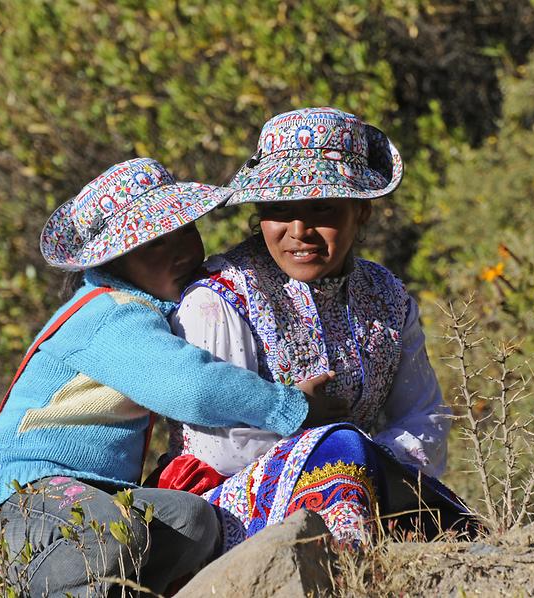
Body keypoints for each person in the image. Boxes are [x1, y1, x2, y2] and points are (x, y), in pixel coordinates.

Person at [0, 157, 345, 596]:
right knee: (111, 532)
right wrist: (289, 406)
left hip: (94, 499)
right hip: (26, 494)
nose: (184, 251)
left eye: (186, 230)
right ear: (117, 261)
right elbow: (191, 386)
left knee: (193, 522)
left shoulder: (146, 313)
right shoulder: (110, 315)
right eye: (155, 244)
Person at [162, 108, 476, 551]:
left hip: (364, 477)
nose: (299, 232)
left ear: (361, 212)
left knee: (460, 527)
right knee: (342, 451)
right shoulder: (218, 299)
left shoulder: (386, 295)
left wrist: (369, 459)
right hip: (225, 503)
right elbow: (220, 447)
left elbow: (424, 415)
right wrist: (326, 440)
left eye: (322, 208)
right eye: (279, 211)